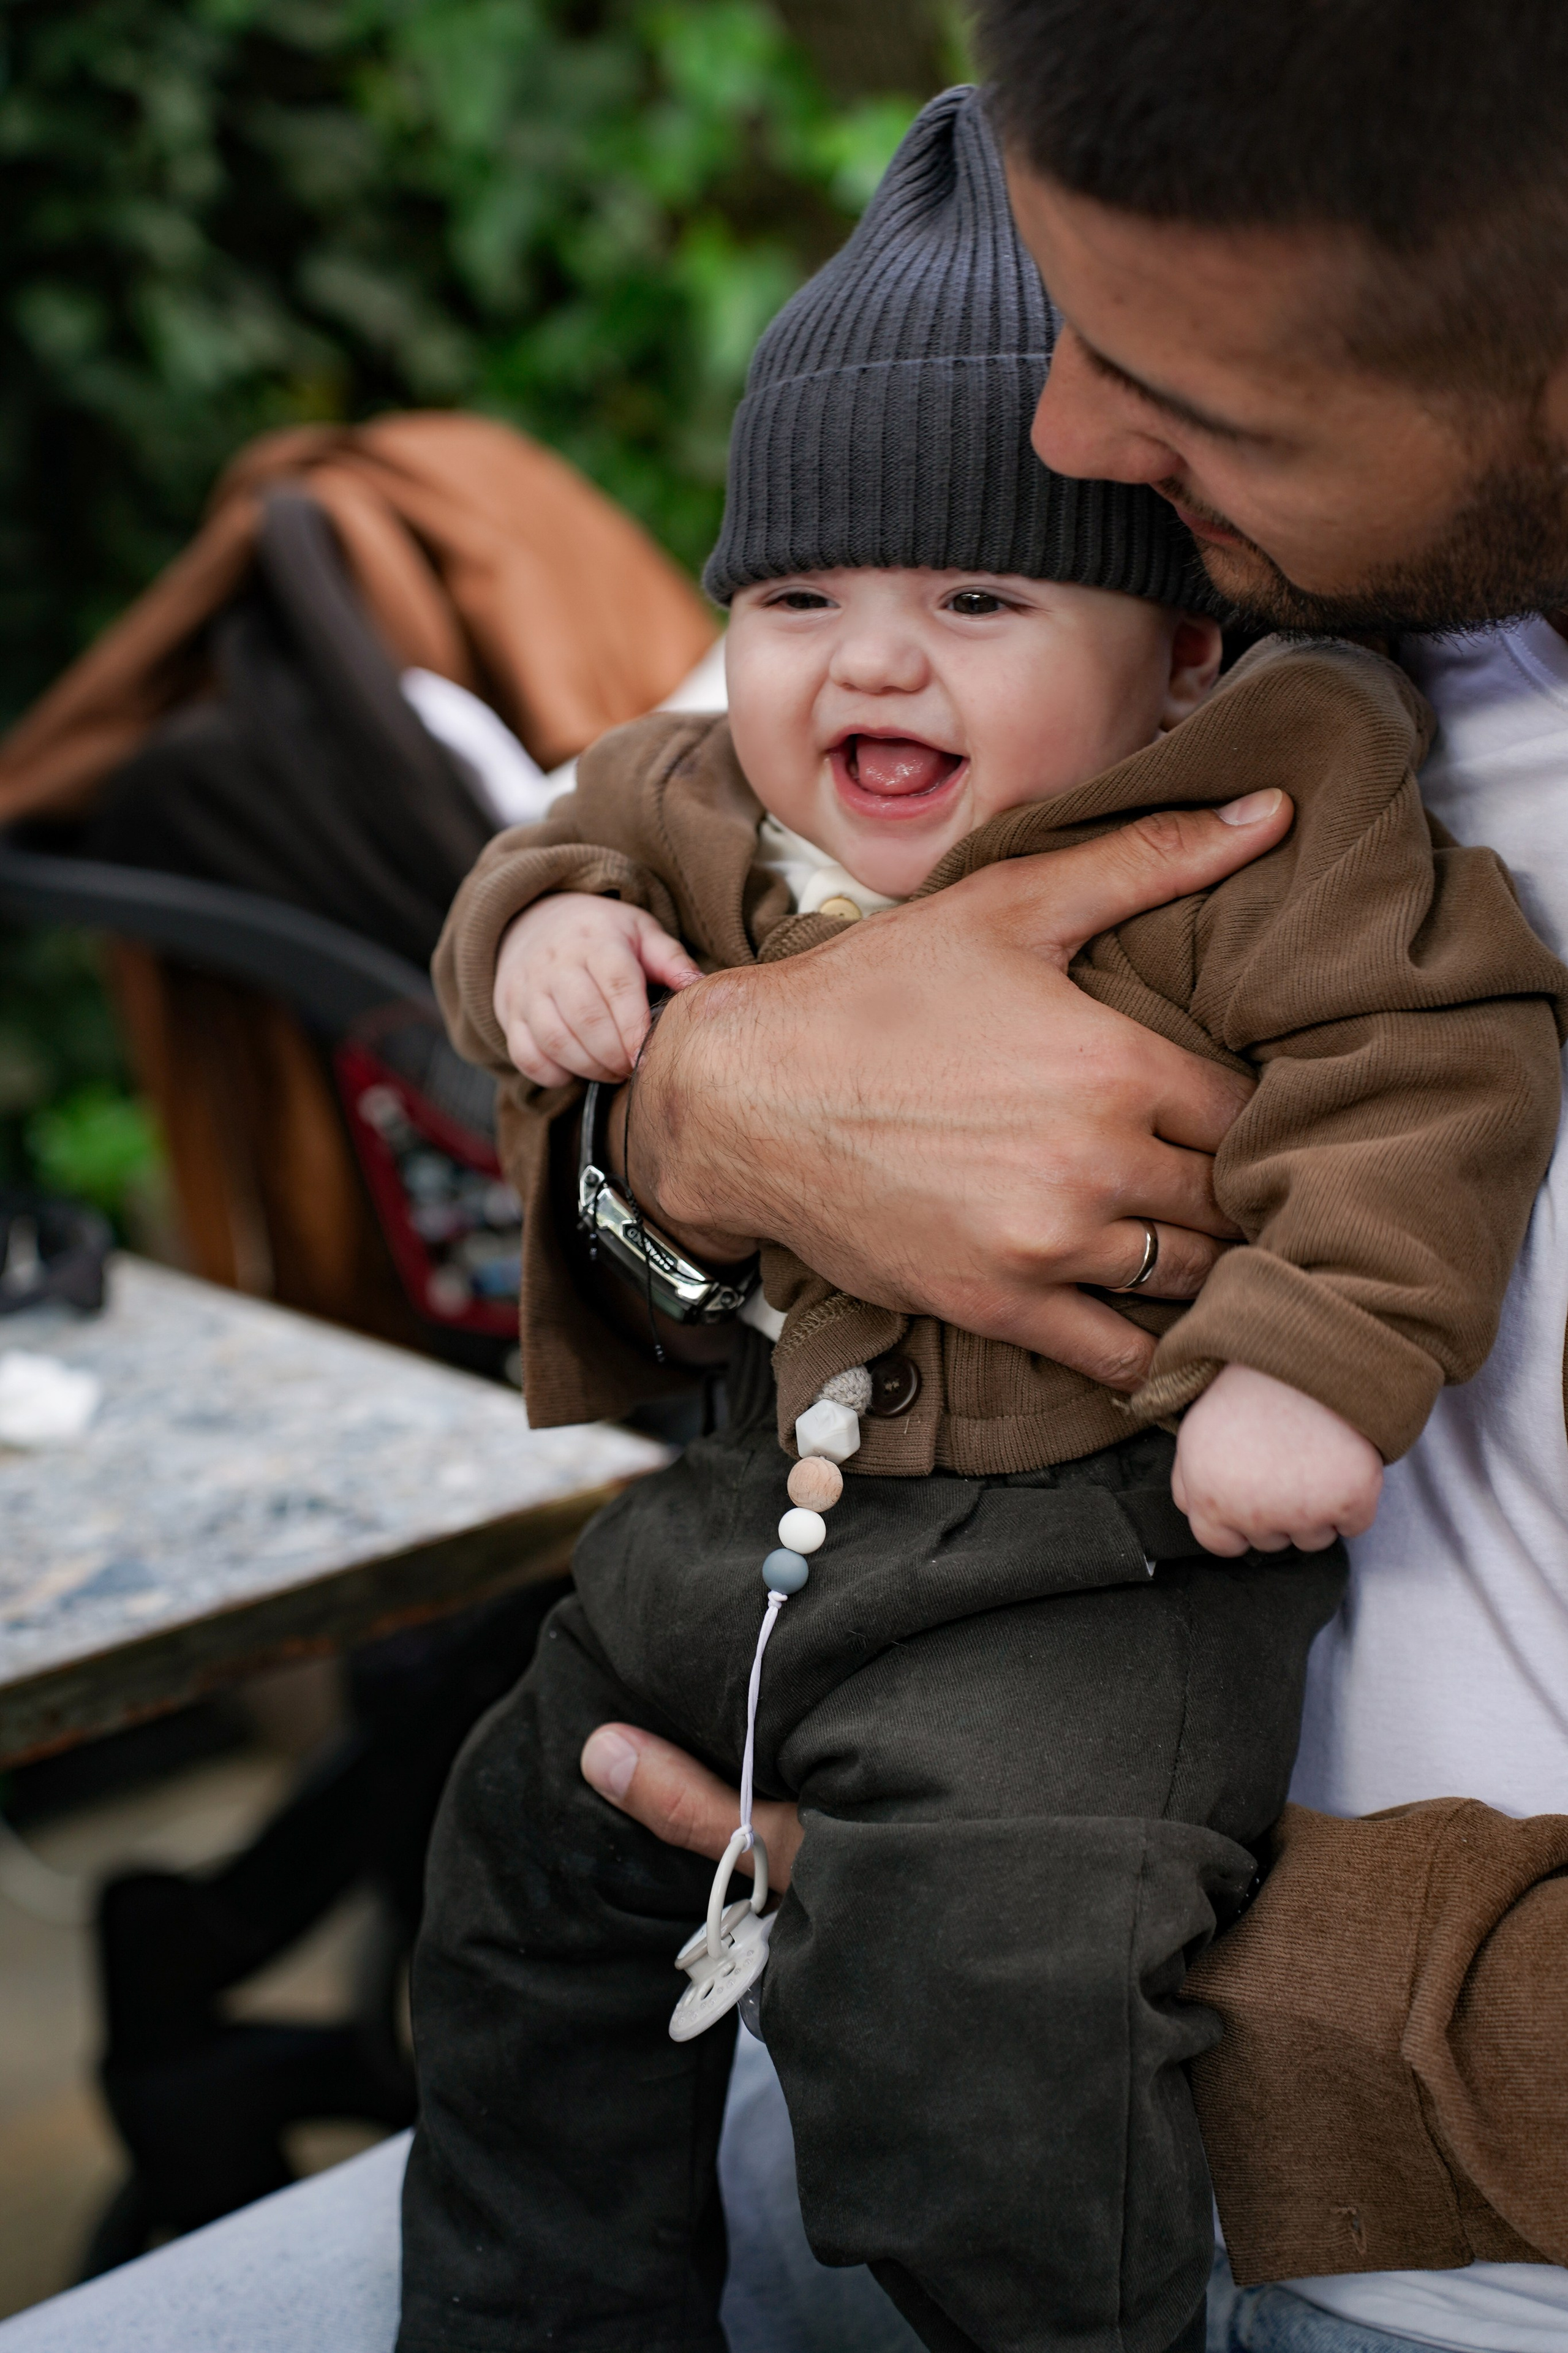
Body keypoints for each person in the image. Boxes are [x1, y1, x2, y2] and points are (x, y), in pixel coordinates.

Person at [401, 91, 1566, 2353]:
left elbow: (1427, 1074)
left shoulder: (1282, 794)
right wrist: (667, 1079)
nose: (1076, 419)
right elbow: (590, 862)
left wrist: (1314, 1352)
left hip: (1110, 1745)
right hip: (771, 1623)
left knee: (983, 2090)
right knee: (504, 1856)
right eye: (797, 599)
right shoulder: (869, 685)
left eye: (1177, 369)